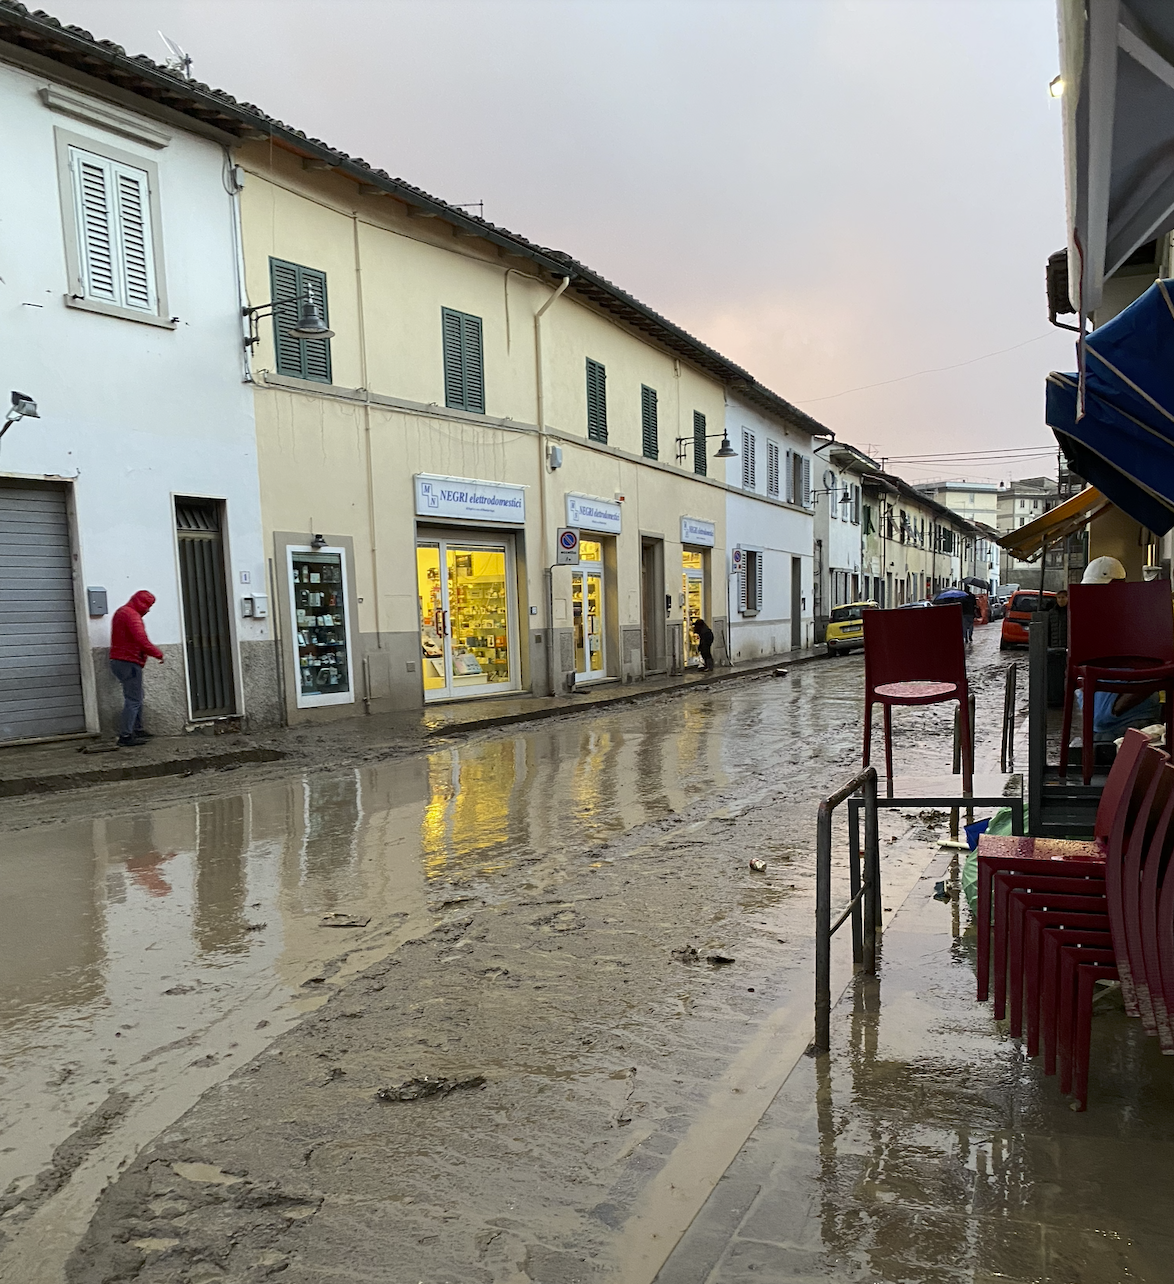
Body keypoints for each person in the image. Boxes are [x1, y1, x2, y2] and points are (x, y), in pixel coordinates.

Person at [110, 590, 164, 747]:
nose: (148, 610)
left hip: (120, 660)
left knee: (137, 696)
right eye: (148, 605)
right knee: (133, 699)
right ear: (141, 603)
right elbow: (141, 639)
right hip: (129, 662)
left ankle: (137, 729)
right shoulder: (131, 615)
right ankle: (126, 735)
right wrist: (158, 654)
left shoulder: (122, 612)